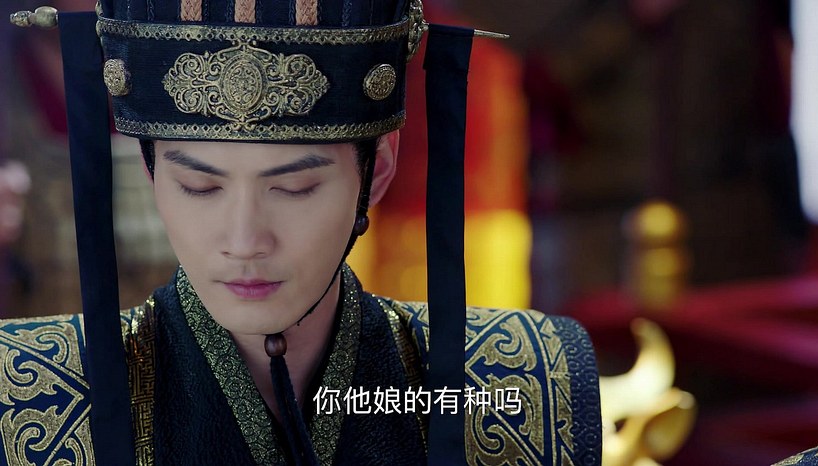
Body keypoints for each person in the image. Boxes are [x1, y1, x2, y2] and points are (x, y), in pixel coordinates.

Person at [1, 1, 602, 465]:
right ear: (152, 173)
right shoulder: (28, 389)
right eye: (199, 187)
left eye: (293, 187)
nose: (245, 240)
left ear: (376, 172)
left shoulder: (512, 385)